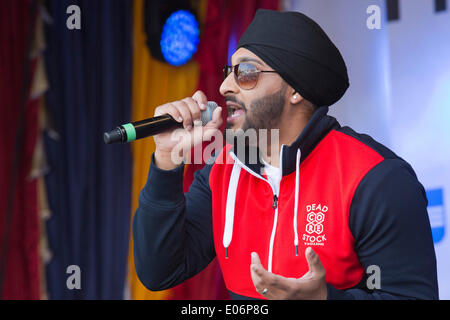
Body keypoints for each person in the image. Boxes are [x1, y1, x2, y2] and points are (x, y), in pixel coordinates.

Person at [132, 9, 438, 300]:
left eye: (246, 73)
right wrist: (167, 160)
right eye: (229, 72)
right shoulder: (223, 170)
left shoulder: (376, 178)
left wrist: (324, 298)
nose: (225, 86)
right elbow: (159, 271)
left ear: (295, 90)